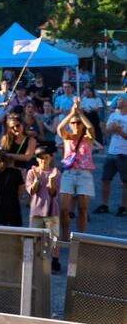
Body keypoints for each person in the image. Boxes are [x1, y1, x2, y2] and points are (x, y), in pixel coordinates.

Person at [57, 100, 98, 241]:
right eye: (73, 123)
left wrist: (80, 114)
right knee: (64, 209)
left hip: (84, 174)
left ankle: (81, 237)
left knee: (82, 208)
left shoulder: (88, 138)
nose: (76, 125)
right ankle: (65, 234)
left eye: (78, 123)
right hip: (69, 173)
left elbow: (91, 128)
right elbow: (60, 128)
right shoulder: (67, 137)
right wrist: (71, 114)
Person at [26, 149, 62, 273]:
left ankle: (55, 261)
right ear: (37, 159)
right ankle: (33, 262)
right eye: (41, 158)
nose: (43, 160)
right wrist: (36, 180)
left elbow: (53, 193)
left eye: (46, 157)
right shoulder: (31, 172)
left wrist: (51, 180)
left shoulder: (56, 173)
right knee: (34, 238)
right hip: (36, 211)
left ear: (50, 158)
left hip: (52, 210)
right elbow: (31, 191)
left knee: (54, 238)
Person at [95, 95, 127, 216]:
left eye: (120, 99)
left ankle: (124, 207)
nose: (117, 101)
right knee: (105, 179)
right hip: (111, 152)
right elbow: (107, 135)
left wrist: (118, 130)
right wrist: (104, 128)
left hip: (124, 153)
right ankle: (104, 204)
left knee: (125, 182)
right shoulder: (113, 115)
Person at [0, 150, 23, 227]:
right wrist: (17, 198)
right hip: (14, 206)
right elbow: (21, 188)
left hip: (1, 209)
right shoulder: (17, 172)